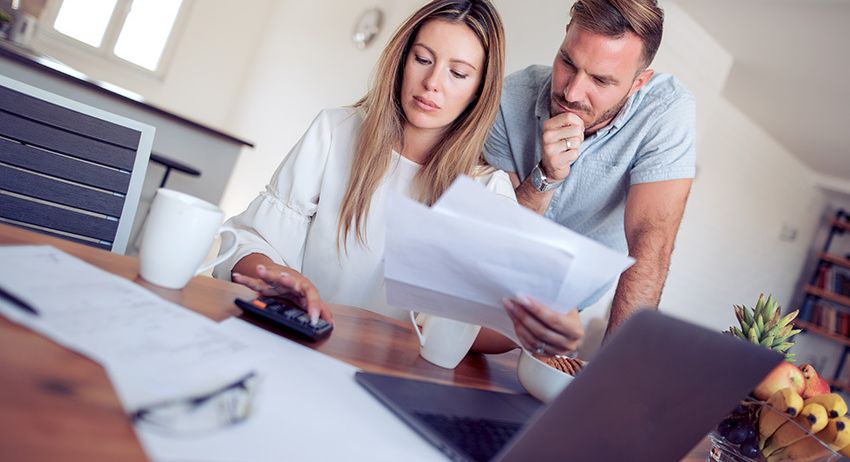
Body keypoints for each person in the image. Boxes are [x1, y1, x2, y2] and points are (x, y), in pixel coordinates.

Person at [213, 0, 584, 356]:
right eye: (423, 59)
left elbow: (479, 326)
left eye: (457, 73)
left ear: (477, 91)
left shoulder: (487, 190)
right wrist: (277, 274)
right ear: (402, 59)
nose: (432, 83)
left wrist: (533, 328)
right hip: (291, 345)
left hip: (387, 376)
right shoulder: (334, 132)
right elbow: (248, 242)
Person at [484, 0, 696, 336]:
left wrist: (617, 371)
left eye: (600, 80)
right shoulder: (510, 98)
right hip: (492, 288)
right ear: (567, 35)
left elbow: (650, 243)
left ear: (638, 82)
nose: (571, 92)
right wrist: (545, 176)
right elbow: (494, 242)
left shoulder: (664, 113)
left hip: (567, 310)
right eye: (568, 62)